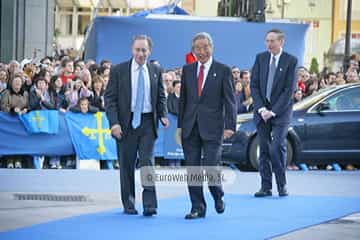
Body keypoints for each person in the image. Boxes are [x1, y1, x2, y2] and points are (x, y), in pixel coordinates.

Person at [104, 35, 169, 217]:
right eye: (137, 49)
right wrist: (114, 123)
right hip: (126, 123)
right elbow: (109, 99)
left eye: (144, 50)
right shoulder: (119, 70)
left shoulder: (156, 70)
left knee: (148, 162)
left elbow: (161, 96)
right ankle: (129, 202)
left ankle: (150, 204)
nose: (141, 53)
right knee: (126, 165)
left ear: (150, 51)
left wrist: (162, 114)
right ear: (132, 50)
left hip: (148, 123)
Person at [178, 32, 236, 219]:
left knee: (211, 167)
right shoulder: (187, 70)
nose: (201, 51)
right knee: (193, 170)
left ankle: (218, 195)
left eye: (205, 47)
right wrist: (180, 126)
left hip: (214, 128)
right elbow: (184, 101)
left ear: (212, 47)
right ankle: (197, 207)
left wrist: (230, 126)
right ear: (193, 50)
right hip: (190, 126)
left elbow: (230, 101)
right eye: (197, 48)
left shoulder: (223, 70)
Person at [250, 29, 298, 198]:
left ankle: (281, 184)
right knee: (263, 148)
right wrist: (262, 108)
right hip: (262, 112)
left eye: (272, 41)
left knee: (277, 146)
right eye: (267, 41)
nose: (269, 44)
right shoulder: (260, 58)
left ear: (281, 42)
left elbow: (289, 90)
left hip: (281, 113)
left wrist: (273, 111)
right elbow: (254, 85)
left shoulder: (291, 61)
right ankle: (265, 187)